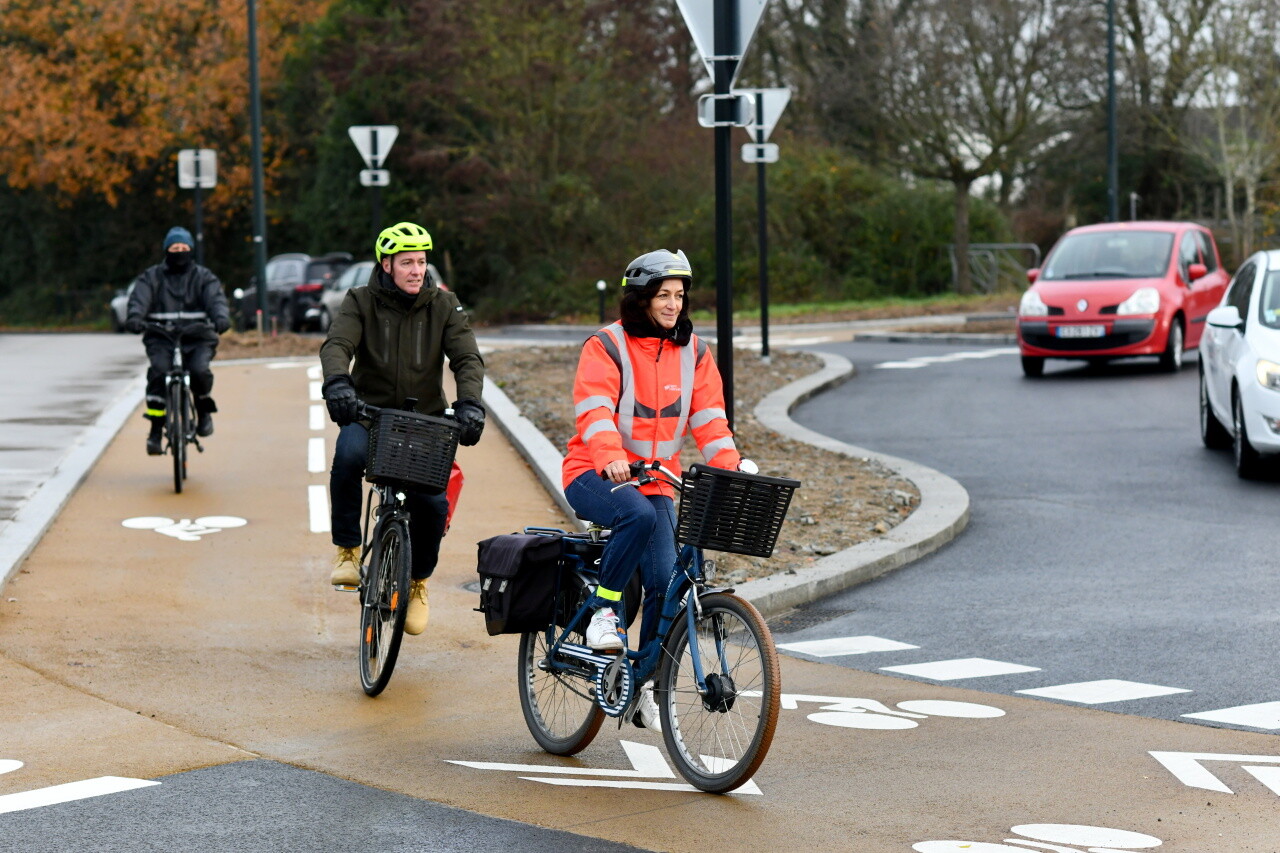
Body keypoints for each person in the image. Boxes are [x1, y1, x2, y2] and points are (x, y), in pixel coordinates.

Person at [561, 249, 748, 731]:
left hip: (658, 478)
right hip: (595, 472)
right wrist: (610, 456)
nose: (673, 305)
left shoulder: (695, 353)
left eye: (679, 296)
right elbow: (595, 409)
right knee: (637, 517)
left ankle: (640, 679)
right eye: (663, 295)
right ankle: (604, 610)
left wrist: (732, 467)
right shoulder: (607, 345)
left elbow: (710, 422)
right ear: (641, 299)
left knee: (667, 582)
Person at [319, 221, 485, 636]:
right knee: (348, 458)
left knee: (432, 504)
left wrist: (470, 404)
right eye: (407, 262)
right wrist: (339, 383)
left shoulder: (443, 305)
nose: (416, 270)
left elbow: (467, 358)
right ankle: (347, 550)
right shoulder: (360, 300)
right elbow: (338, 344)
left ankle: (417, 582)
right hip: (368, 414)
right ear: (386, 264)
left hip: (424, 421)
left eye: (422, 261)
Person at [125, 226, 231, 455]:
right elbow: (139, 300)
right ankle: (155, 429)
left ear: (191, 250)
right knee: (159, 372)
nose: (180, 251)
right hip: (161, 337)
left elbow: (215, 300)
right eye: (175, 247)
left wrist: (221, 317)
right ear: (166, 250)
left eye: (184, 247)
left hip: (198, 337)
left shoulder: (203, 277)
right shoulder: (152, 277)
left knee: (199, 370)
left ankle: (203, 410)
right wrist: (135, 317)